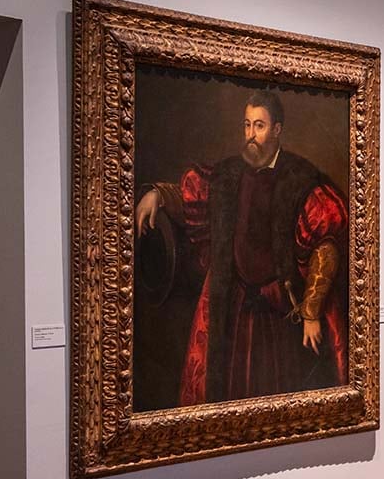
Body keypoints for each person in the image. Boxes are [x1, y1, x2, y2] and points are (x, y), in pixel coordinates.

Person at [134, 90, 348, 406]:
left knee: (276, 396)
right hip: (231, 309)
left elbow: (325, 247)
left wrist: (311, 313)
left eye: (259, 126)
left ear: (277, 130)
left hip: (277, 313)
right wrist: (158, 195)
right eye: (247, 125)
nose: (250, 134)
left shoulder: (300, 177)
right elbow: (191, 195)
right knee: (225, 395)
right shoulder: (228, 173)